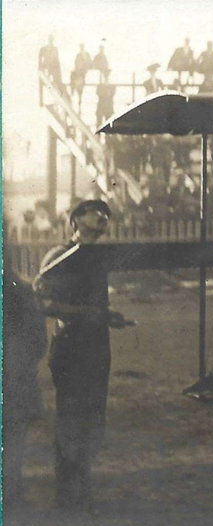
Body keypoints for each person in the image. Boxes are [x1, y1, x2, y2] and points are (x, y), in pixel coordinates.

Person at [36, 199, 136, 510]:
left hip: (96, 344)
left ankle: (82, 489)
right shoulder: (62, 256)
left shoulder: (95, 259)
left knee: (93, 417)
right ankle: (67, 494)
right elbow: (43, 301)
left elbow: (95, 307)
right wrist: (88, 313)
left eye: (107, 214)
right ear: (75, 220)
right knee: (71, 418)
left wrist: (107, 317)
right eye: (95, 212)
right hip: (70, 344)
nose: (104, 217)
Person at [4, 269, 49, 505]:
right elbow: (38, 341)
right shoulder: (21, 289)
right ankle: (10, 490)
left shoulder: (20, 290)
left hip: (15, 376)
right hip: (16, 377)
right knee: (14, 435)